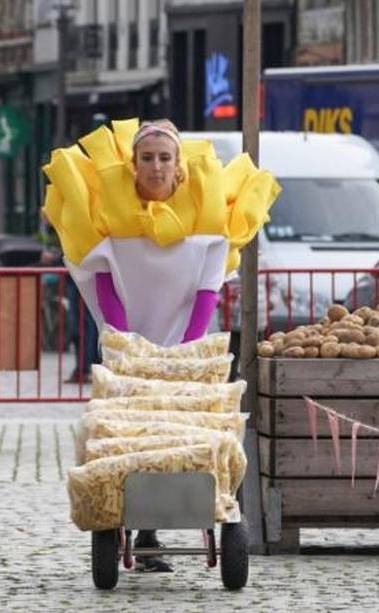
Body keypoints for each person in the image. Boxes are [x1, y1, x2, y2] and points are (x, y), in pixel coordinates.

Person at [42, 118, 279, 572]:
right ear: (132, 167)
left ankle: (180, 519)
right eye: (147, 158)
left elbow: (208, 291)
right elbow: (104, 280)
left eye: (164, 158)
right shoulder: (112, 224)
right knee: (128, 441)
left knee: (183, 440)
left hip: (182, 352)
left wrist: (187, 354)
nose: (156, 167)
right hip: (126, 349)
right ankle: (136, 524)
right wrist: (121, 342)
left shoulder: (206, 230)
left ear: (180, 168)